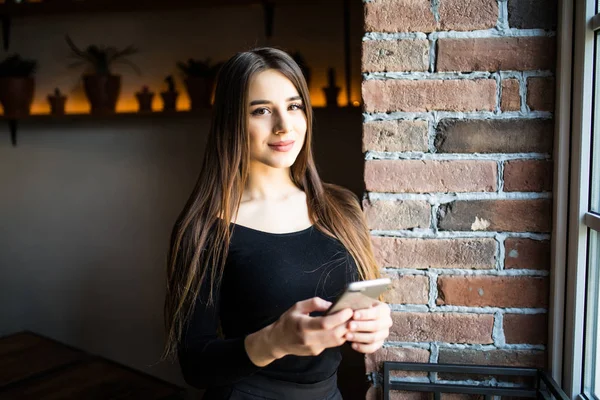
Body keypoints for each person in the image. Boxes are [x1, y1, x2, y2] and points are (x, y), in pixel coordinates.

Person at [161, 47, 393, 400]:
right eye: (262, 110)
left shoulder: (340, 207)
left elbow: (359, 308)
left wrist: (373, 327)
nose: (284, 126)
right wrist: (274, 340)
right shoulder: (206, 229)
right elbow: (195, 365)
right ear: (232, 120)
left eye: (294, 106)